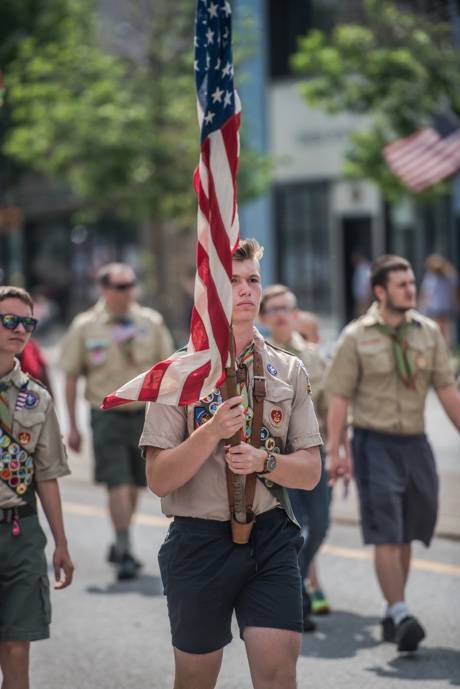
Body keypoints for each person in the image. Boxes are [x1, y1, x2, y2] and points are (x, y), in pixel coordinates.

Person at [140, 239, 322, 689]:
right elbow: (159, 479)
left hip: (270, 536)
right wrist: (211, 432)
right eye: (234, 281)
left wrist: (265, 460)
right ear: (211, 292)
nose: (246, 290)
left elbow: (311, 471)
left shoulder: (289, 370)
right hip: (199, 541)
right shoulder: (177, 373)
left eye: (253, 280)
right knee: (196, 680)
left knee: (279, 676)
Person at [325, 254, 460, 652]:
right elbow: (339, 397)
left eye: (413, 283)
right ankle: (400, 610)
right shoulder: (356, 336)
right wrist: (337, 452)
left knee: (408, 532)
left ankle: (392, 610)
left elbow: (447, 391)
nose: (411, 290)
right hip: (373, 442)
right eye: (402, 285)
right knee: (386, 528)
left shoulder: (429, 332)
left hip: (416, 444)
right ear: (380, 291)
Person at [59, 262, 173, 580]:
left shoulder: (150, 322)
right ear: (104, 289)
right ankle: (123, 547)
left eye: (131, 284)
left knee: (137, 484)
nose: (128, 292)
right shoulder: (86, 326)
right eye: (121, 287)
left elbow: (169, 370)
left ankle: (121, 539)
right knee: (118, 483)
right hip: (106, 415)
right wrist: (72, 426)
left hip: (144, 415)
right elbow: (70, 377)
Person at [0, 286, 73, 689]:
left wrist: (60, 542)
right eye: (8, 320)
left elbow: (47, 474)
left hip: (20, 533)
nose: (19, 329)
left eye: (27, 322)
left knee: (17, 648)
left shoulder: (36, 398)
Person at [259, 285, 331, 630]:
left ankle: (297, 579)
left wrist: (340, 447)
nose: (282, 314)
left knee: (321, 523)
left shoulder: (313, 357)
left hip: (313, 454)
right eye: (274, 309)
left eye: (287, 307)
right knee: (296, 525)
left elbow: (330, 405)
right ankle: (296, 593)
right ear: (264, 318)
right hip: (277, 460)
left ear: (297, 313)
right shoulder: (259, 357)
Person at [419, 253, 459, 345]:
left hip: (443, 306)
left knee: (442, 329)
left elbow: (455, 292)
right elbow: (425, 293)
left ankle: (443, 347)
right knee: (435, 329)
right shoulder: (430, 276)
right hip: (433, 307)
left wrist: (456, 304)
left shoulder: (450, 276)